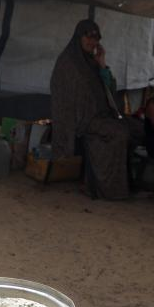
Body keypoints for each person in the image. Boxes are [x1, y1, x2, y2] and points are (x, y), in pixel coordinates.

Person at [50, 20, 144, 200]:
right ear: (79, 37)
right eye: (88, 37)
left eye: (96, 38)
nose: (92, 42)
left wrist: (102, 64)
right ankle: (108, 189)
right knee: (119, 133)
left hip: (101, 116)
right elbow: (64, 100)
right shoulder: (67, 63)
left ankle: (127, 183)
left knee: (137, 128)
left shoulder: (91, 62)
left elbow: (110, 91)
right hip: (83, 120)